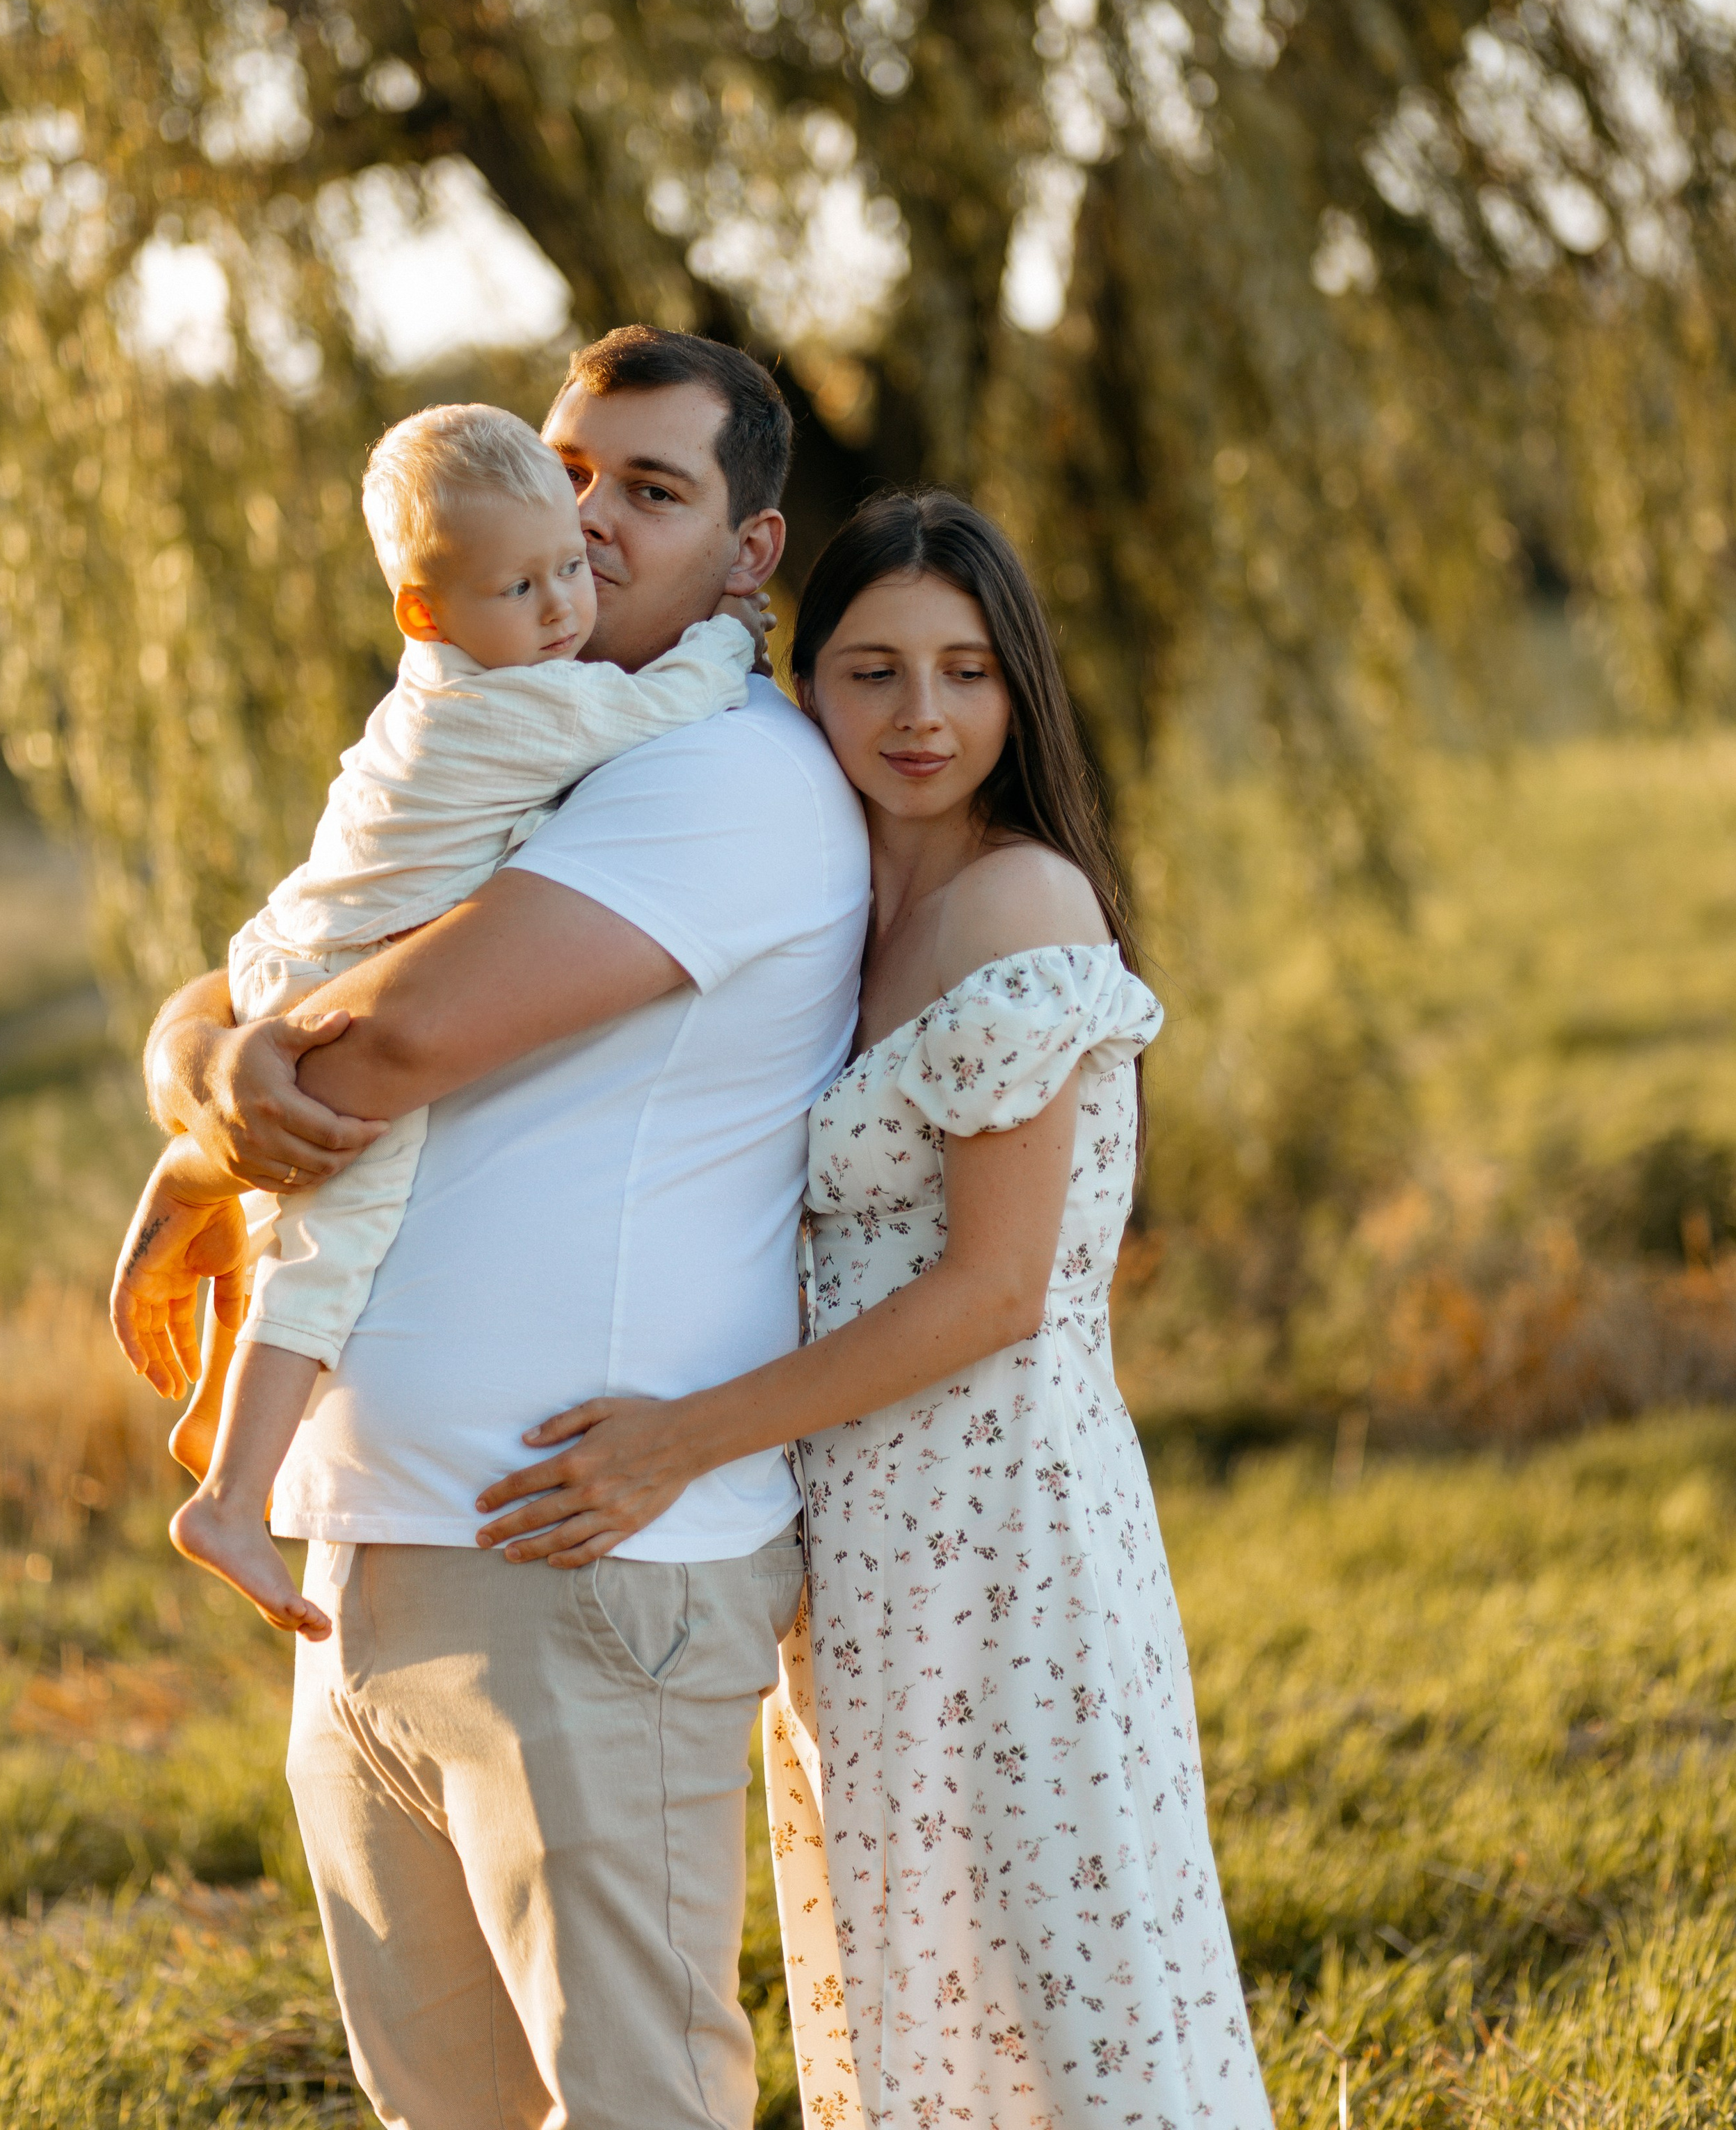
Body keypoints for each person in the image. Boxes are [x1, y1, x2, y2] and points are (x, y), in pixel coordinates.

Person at [108, 328, 869, 2130]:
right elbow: (294, 956)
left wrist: (219, 1083)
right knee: (442, 2112)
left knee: (633, 2106)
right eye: (573, 467)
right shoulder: (501, 731)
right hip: (373, 1548)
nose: (594, 520)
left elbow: (385, 1039)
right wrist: (191, 1049)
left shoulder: (726, 776)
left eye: (655, 490)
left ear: (750, 557)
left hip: (580, 1565)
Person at [472, 492, 1275, 2130]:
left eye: (967, 674)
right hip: (858, 1541)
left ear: (1018, 694)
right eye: (873, 672)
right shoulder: (828, 910)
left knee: (1066, 1987)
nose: (921, 718)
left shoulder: (1018, 906)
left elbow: (990, 1294)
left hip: (1003, 1533)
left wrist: (671, 1446)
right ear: (803, 686)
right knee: (922, 1982)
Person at [112, 399, 756, 1641]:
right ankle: (233, 1499)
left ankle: (203, 1291)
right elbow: (651, 710)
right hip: (341, 971)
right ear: (424, 609)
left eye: (571, 561)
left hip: (294, 941)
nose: (568, 602)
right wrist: (727, 640)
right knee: (334, 1235)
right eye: (527, 584)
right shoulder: (515, 709)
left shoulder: (455, 670)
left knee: (292, 1202)